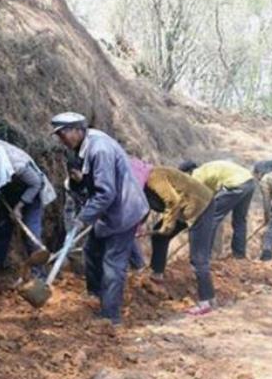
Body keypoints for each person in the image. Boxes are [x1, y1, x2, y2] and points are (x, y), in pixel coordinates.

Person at [51, 112, 149, 324]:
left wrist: (83, 217)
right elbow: (90, 183)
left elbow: (106, 192)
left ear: (78, 130)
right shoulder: (86, 145)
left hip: (124, 211)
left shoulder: (100, 149)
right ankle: (95, 295)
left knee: (113, 263)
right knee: (92, 251)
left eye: (63, 134)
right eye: (59, 135)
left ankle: (110, 316)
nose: (61, 140)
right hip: (108, 211)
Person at [0, 138, 56, 276]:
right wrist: (0, 196)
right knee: (2, 226)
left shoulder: (18, 165)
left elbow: (36, 183)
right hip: (9, 191)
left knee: (30, 232)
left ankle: (39, 274)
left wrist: (19, 207)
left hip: (31, 193)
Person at [144, 166, 216, 315]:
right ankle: (157, 274)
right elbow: (141, 208)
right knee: (158, 236)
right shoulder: (141, 185)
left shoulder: (153, 177)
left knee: (198, 258)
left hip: (200, 206)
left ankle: (206, 302)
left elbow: (173, 201)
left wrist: (168, 225)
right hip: (186, 207)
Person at [64, 154, 146, 272]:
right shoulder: (69, 185)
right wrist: (71, 232)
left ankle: (138, 265)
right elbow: (70, 210)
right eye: (70, 173)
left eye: (75, 173)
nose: (73, 176)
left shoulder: (101, 179)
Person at [178, 159, 255, 259]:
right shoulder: (206, 171)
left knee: (211, 218)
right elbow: (210, 197)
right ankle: (239, 254)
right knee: (240, 220)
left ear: (188, 173)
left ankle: (204, 255)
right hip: (249, 182)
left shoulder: (196, 176)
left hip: (235, 185)